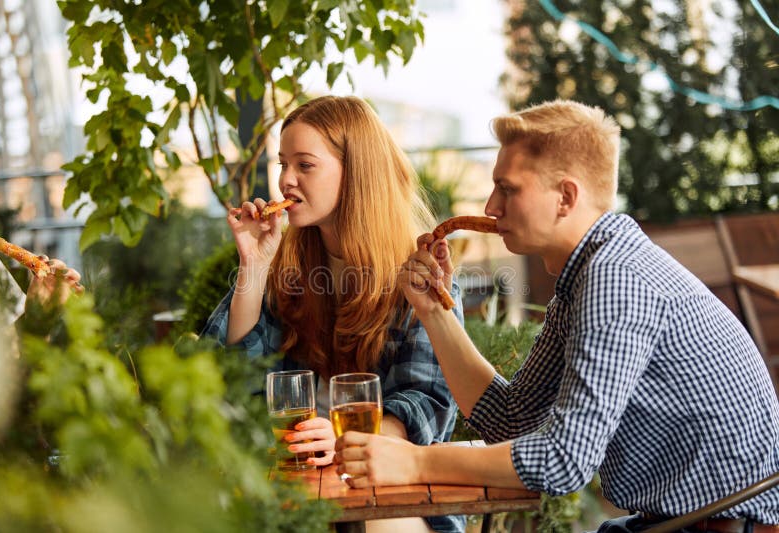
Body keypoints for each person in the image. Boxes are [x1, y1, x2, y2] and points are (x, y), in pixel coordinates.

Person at [334, 100, 779, 532]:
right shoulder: (587, 275)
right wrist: (433, 312)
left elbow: (562, 462)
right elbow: (509, 419)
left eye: (508, 189)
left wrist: (413, 462)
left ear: (566, 197)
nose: (490, 206)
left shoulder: (616, 279)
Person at [202, 96, 463, 533]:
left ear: (356, 173)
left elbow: (428, 402)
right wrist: (253, 266)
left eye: (305, 165)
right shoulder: (281, 264)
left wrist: (346, 440)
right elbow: (226, 379)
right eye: (283, 163)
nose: (285, 180)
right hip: (292, 487)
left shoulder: (416, 273)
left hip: (388, 491)